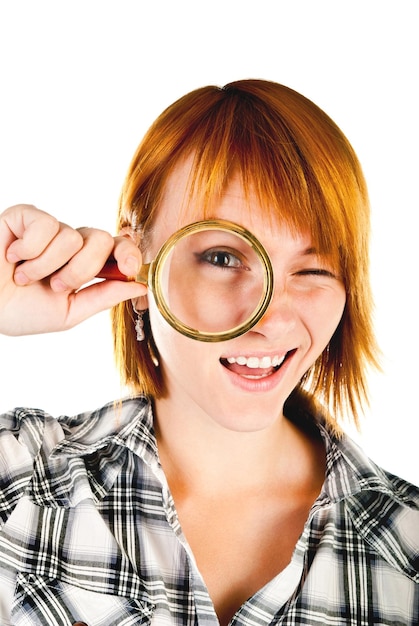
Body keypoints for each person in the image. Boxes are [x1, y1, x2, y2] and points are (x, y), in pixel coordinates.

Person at [0, 80, 417, 626]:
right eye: (222, 257)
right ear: (136, 262)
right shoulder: (20, 478)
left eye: (312, 269)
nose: (270, 320)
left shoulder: (407, 555)